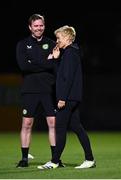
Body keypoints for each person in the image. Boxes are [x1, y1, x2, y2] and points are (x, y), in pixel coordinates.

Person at [37, 25, 96, 169]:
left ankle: (55, 161)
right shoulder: (71, 52)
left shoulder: (70, 54)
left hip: (67, 98)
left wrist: (62, 98)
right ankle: (90, 159)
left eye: (59, 38)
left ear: (68, 38)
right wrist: (56, 60)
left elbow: (66, 79)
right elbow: (62, 75)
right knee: (77, 127)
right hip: (73, 97)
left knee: (60, 129)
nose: (57, 41)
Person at [16, 14, 64, 168]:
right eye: (35, 26)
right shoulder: (22, 45)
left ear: (44, 26)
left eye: (41, 25)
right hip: (29, 90)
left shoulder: (51, 43)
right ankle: (24, 159)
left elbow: (55, 66)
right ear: (30, 27)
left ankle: (56, 159)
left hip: (48, 90)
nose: (39, 28)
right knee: (27, 123)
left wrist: (39, 63)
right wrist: (46, 62)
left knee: (52, 123)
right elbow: (24, 66)